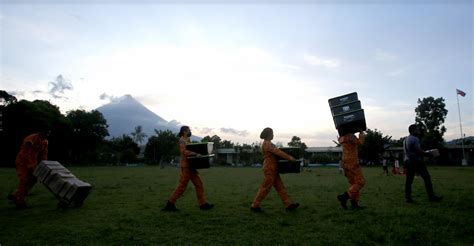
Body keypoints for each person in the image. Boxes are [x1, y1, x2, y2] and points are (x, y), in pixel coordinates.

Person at [163, 126, 214, 211]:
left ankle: (203, 204)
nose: (190, 132)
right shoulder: (182, 141)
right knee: (182, 186)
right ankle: (170, 203)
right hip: (186, 167)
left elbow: (192, 148)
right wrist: (195, 154)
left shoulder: (188, 140)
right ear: (184, 132)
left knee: (199, 184)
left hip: (191, 166)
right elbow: (184, 151)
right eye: (189, 130)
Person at [250, 127, 300, 213]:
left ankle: (288, 205)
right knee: (265, 188)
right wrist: (290, 158)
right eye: (272, 133)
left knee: (280, 187)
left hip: (273, 169)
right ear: (269, 135)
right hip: (270, 168)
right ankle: (255, 206)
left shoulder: (268, 143)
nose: (273, 135)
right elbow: (278, 152)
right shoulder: (267, 144)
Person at [8, 131, 49, 208]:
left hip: (33, 162)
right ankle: (20, 201)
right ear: (40, 133)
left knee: (33, 179)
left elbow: (44, 153)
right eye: (45, 134)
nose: (46, 136)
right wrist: (31, 165)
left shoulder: (45, 141)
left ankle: (16, 195)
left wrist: (44, 164)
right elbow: (27, 153)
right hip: (22, 162)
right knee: (24, 180)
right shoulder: (30, 139)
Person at [404, 124, 442, 203]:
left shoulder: (405, 140)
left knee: (409, 180)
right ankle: (431, 197)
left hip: (408, 161)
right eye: (417, 129)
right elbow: (419, 151)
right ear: (413, 130)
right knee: (427, 178)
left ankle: (408, 198)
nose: (418, 131)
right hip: (416, 161)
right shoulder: (415, 139)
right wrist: (429, 154)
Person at [337, 131, 366, 210]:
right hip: (353, 162)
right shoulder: (350, 136)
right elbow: (360, 142)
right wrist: (361, 133)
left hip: (345, 163)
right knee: (360, 182)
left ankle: (354, 204)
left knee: (354, 184)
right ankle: (345, 197)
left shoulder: (342, 137)